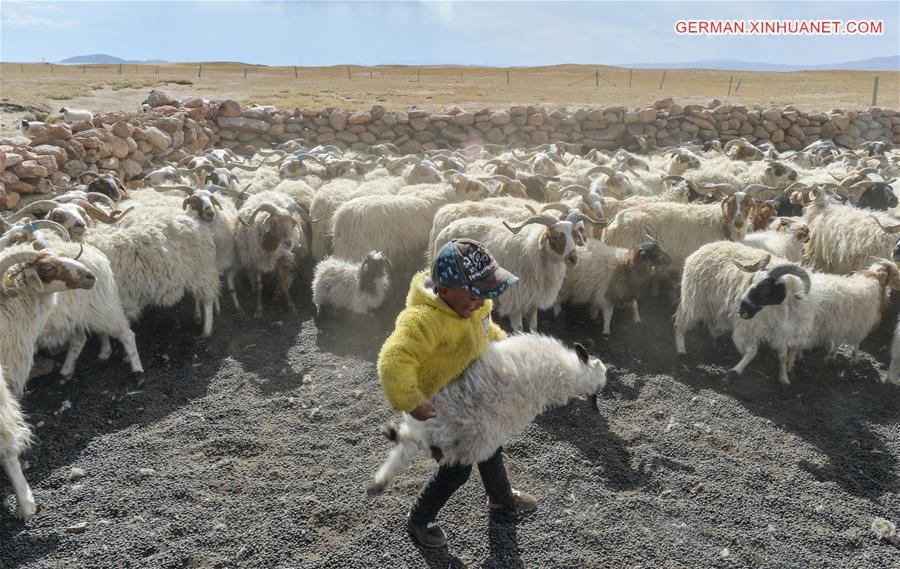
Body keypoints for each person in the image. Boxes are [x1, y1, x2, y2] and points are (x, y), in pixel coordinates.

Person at [377, 238, 537, 548]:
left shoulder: (474, 308)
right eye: (475, 294)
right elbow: (394, 360)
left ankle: (500, 498)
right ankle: (420, 520)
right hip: (442, 408)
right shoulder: (423, 321)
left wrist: (506, 354)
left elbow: (487, 333)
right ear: (444, 290)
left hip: (472, 398)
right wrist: (412, 401)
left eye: (486, 294)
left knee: (490, 445)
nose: (481, 302)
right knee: (456, 469)